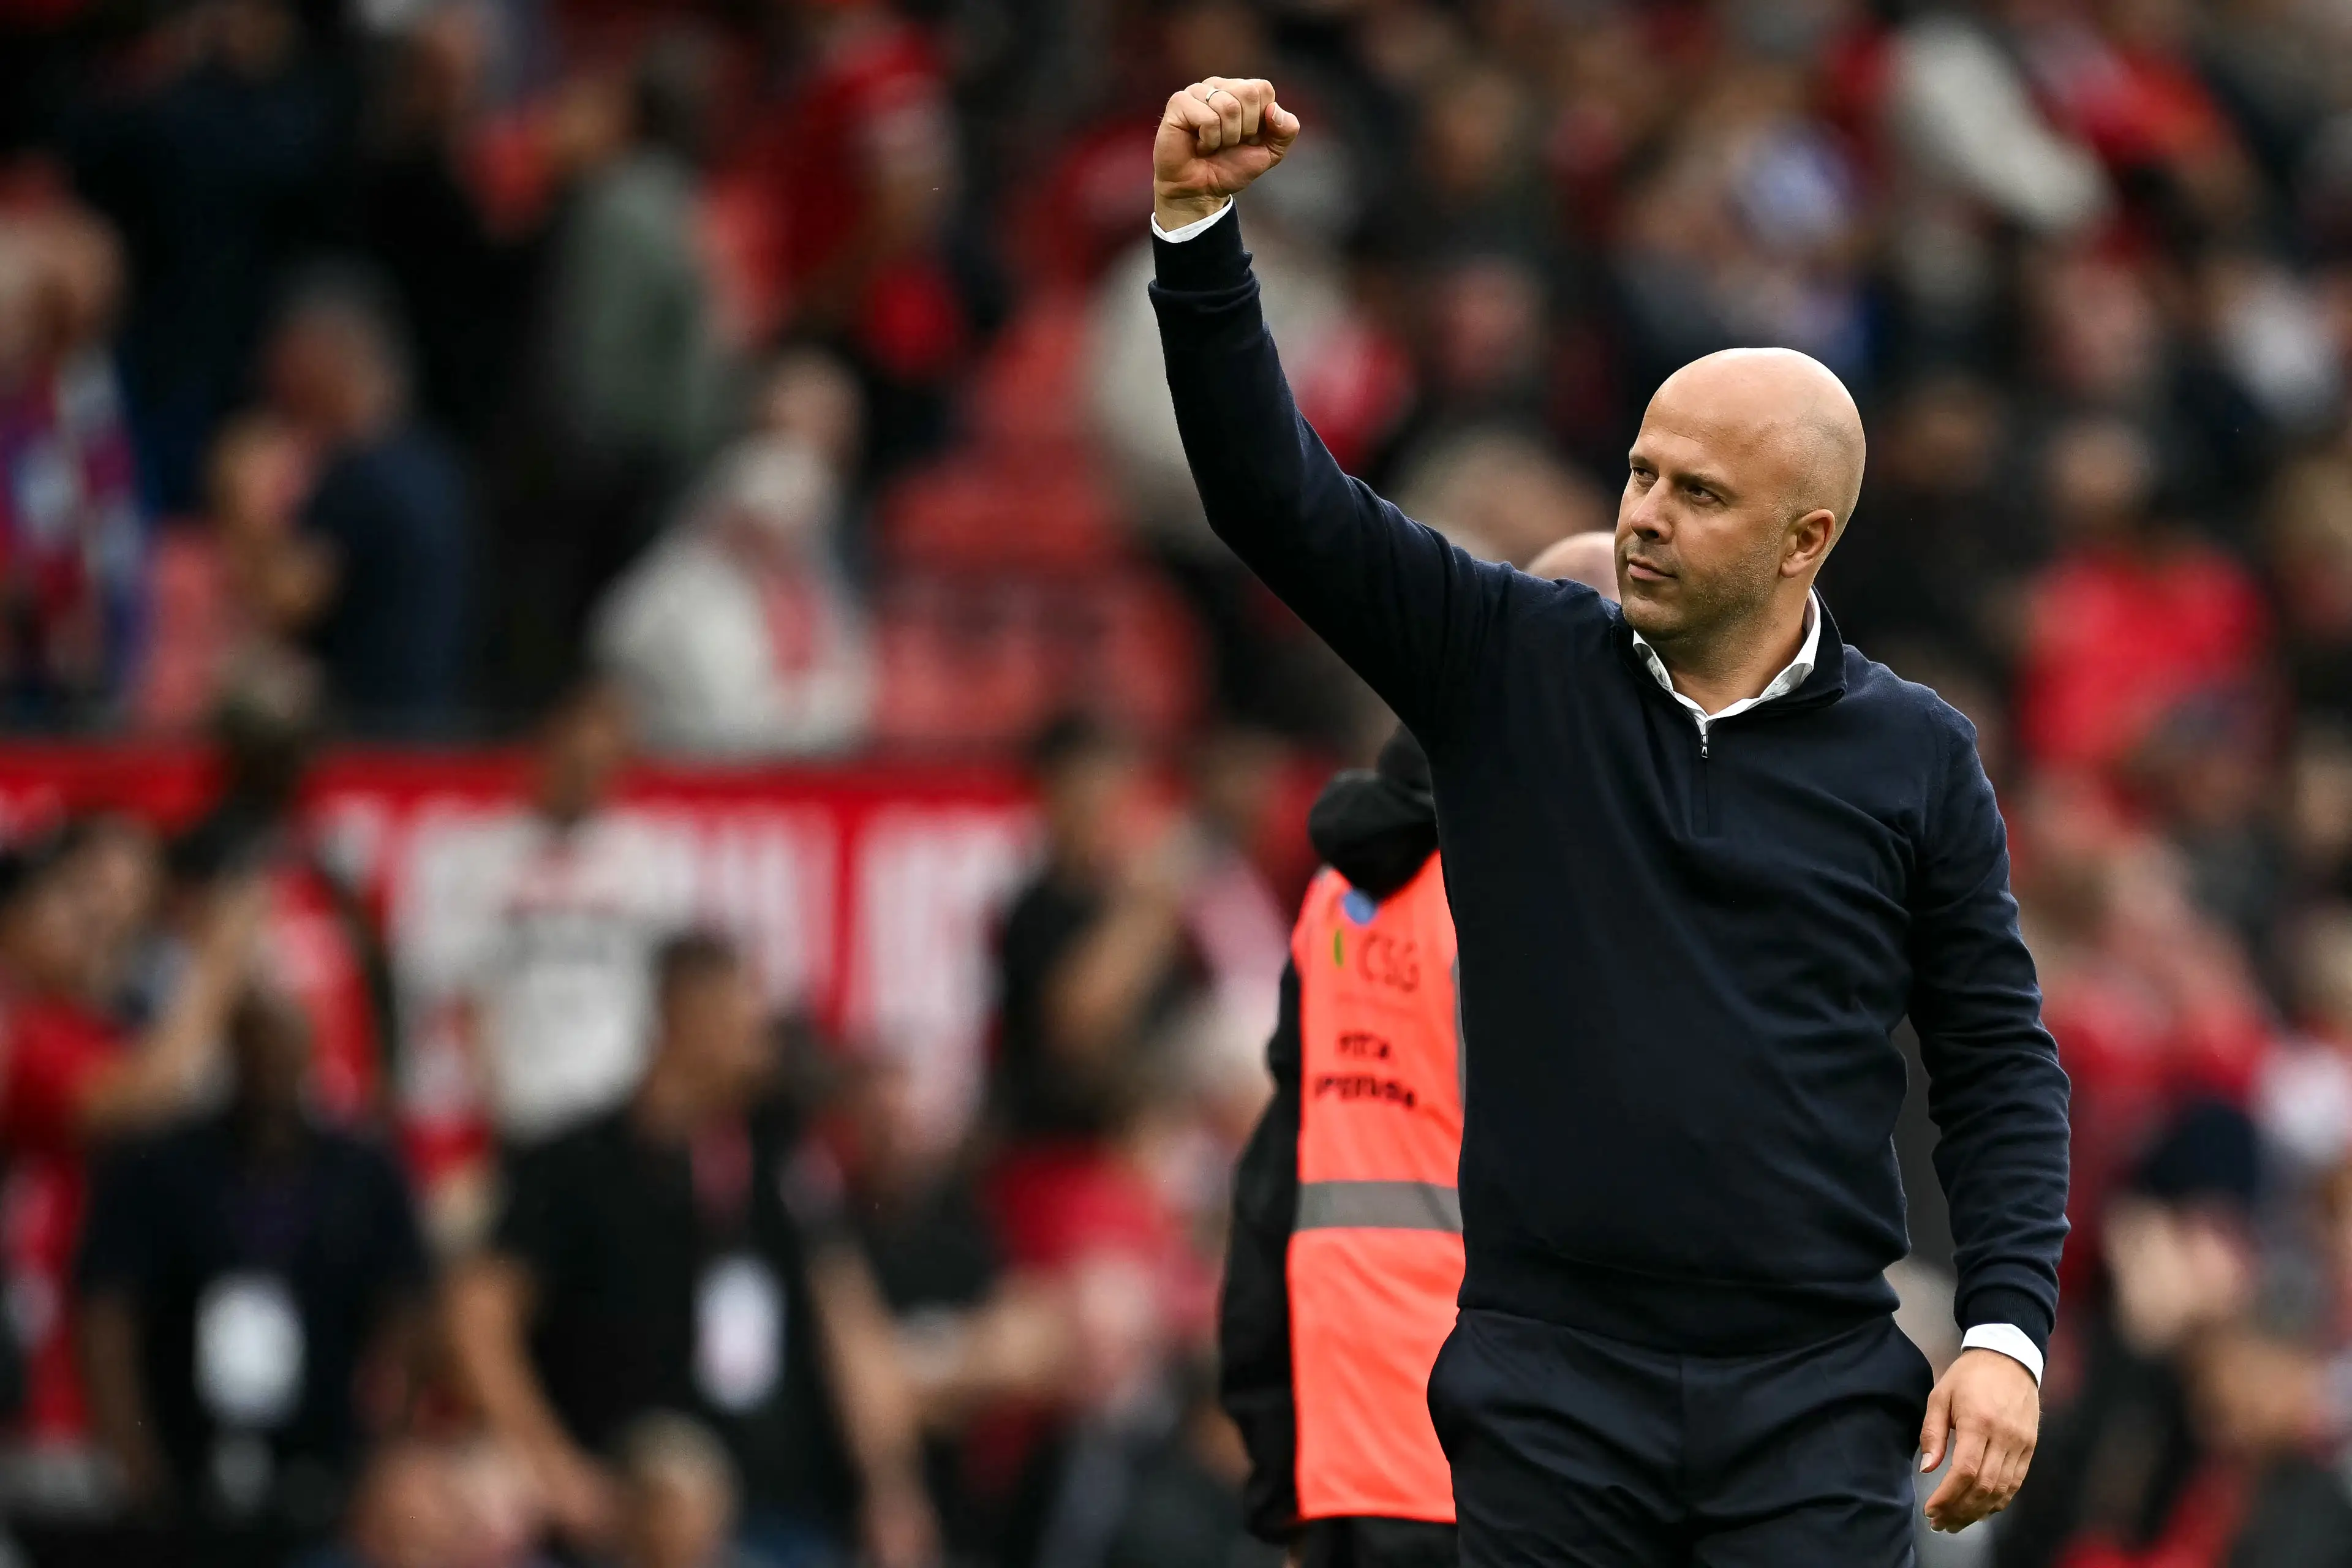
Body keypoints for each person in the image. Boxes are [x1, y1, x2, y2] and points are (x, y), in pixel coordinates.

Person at [1148, 78, 2070, 1561]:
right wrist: (1196, 237)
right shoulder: (1512, 667)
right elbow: (1279, 502)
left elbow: (1995, 1059)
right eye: (1636, 471)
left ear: (1802, 541)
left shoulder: (1911, 755)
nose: (1640, 512)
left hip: (1814, 1392)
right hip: (1548, 1382)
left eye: (1695, 493)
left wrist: (2005, 1330)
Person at [1220, 535, 1613, 1568]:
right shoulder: (1556, 897)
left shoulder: (1342, 894)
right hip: (1520, 1464)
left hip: (1360, 1451)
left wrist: (1280, 1467)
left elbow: (1275, 1189)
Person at [443, 931, 938, 1566]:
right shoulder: (573, 1165)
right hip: (622, 1521)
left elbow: (848, 1325)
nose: (762, 1047)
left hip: (775, 1516)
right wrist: (553, 1467)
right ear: (686, 1017)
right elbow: (476, 1322)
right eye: (746, 1023)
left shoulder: (774, 1160)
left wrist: (890, 1486)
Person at [75, 991, 431, 1534]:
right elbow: (108, 1309)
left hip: (325, 1449)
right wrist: (132, 1453)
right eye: (257, 1048)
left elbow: (406, 1310)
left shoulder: (361, 1173)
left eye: (285, 1050)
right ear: (232, 1052)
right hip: (183, 1446)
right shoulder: (162, 1167)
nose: (272, 1067)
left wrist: (379, 1452)